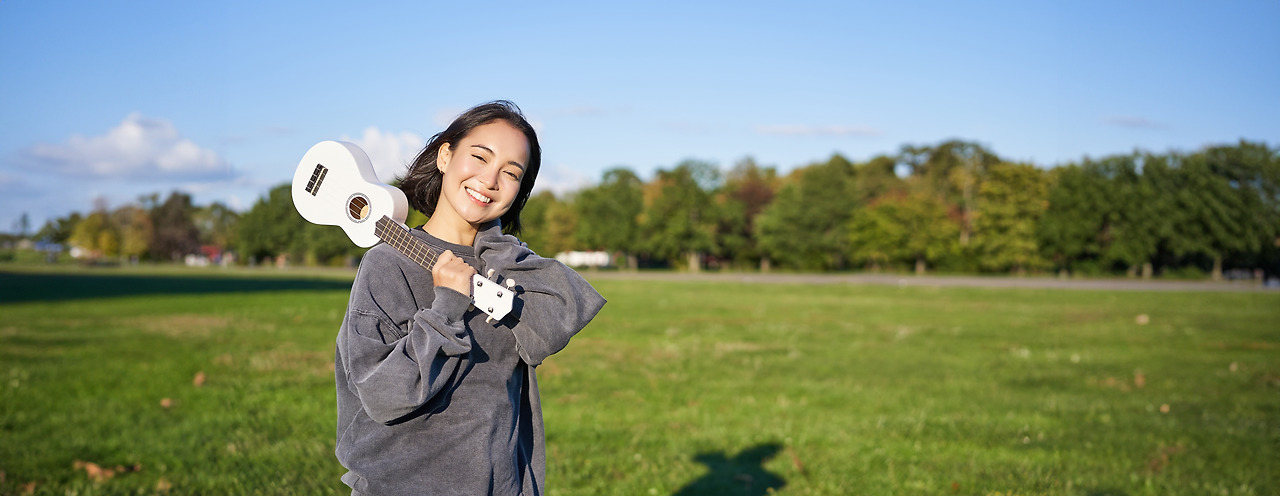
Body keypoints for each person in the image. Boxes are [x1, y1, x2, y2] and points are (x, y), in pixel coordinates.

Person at [334, 100, 606, 495]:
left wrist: (494, 245)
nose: (490, 179)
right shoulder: (387, 264)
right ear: (446, 155)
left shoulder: (509, 267)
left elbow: (563, 312)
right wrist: (446, 306)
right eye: (479, 156)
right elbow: (384, 396)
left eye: (511, 174)